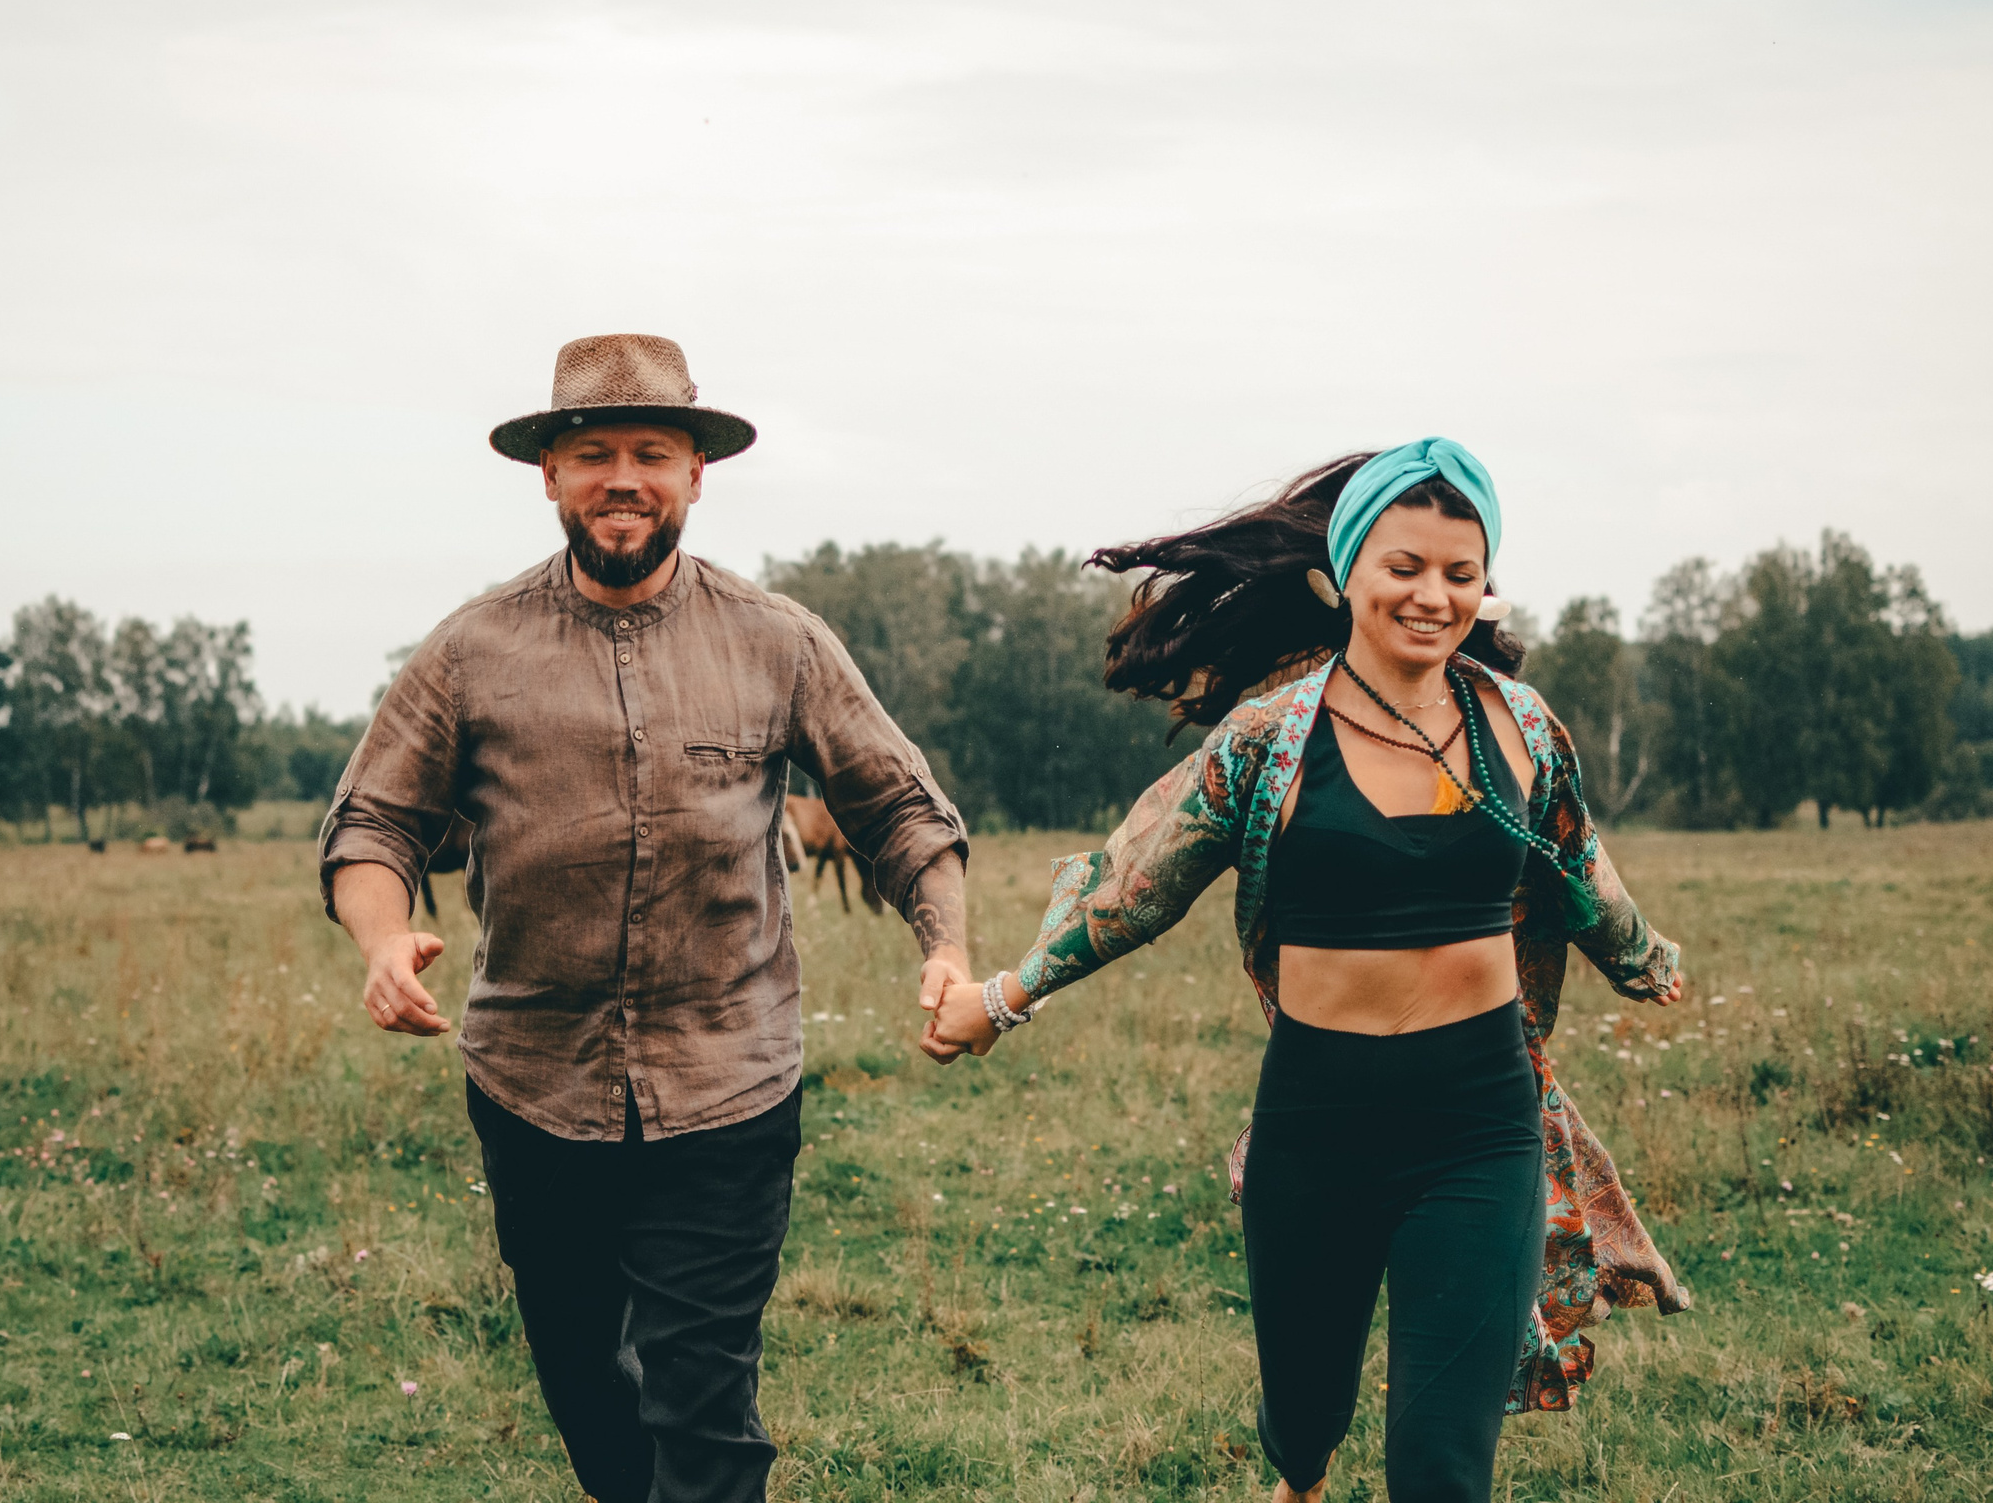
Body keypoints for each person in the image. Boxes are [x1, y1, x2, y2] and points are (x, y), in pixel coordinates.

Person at [928, 439, 1693, 1503]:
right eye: (1404, 567)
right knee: (1304, 1418)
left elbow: (1576, 863)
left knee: (1439, 1464)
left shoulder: (1522, 727)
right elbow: (1133, 888)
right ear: (1343, 579)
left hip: (1480, 1123)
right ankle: (1297, 1477)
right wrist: (998, 1001)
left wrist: (1643, 955)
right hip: (1317, 1124)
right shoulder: (1269, 742)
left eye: (1459, 574)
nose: (1432, 596)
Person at [318, 334, 972, 1503]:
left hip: (729, 1081)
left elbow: (901, 811)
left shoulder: (777, 640)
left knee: (703, 1397)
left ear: (695, 474)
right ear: (552, 475)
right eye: (596, 453)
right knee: (586, 1383)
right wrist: (380, 939)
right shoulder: (472, 652)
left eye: (652, 453)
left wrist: (945, 944)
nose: (625, 477)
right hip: (534, 1082)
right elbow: (371, 826)